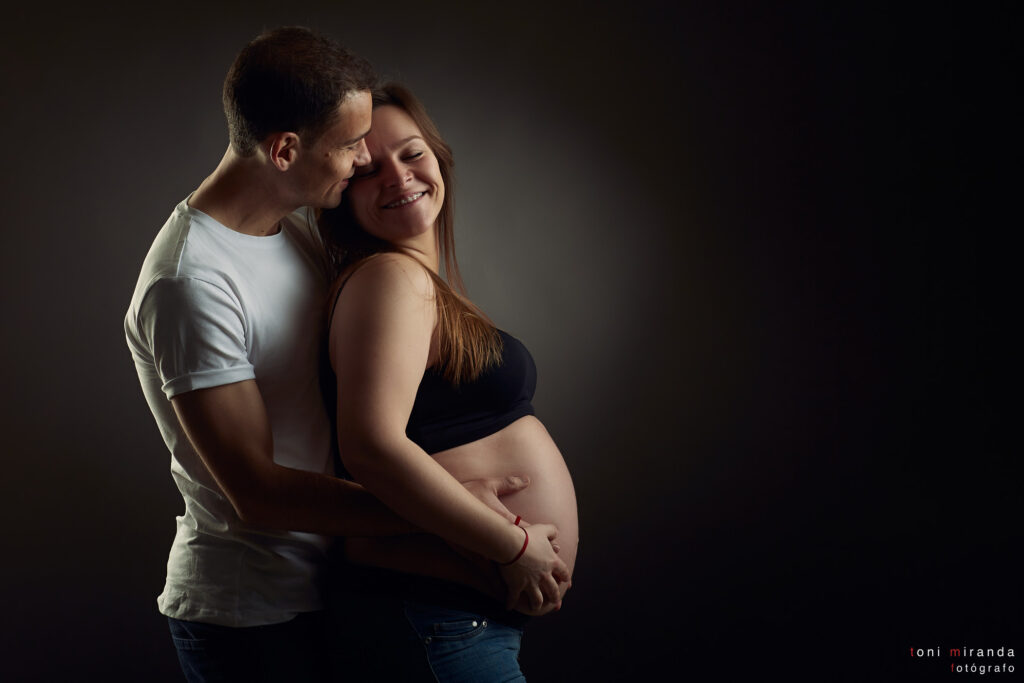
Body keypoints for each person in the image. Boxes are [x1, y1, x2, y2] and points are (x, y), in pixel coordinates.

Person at [124, 28, 565, 682]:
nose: (364, 160)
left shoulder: (288, 232)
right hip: (250, 615)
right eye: (352, 144)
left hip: (326, 588)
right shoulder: (192, 282)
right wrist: (478, 527)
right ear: (284, 150)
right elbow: (258, 493)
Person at [319, 84, 579, 682]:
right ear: (340, 196)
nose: (398, 175)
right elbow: (370, 447)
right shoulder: (388, 279)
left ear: (438, 160)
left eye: (411, 154)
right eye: (368, 168)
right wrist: (512, 546)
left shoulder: (417, 282)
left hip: (449, 623)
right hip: (434, 621)